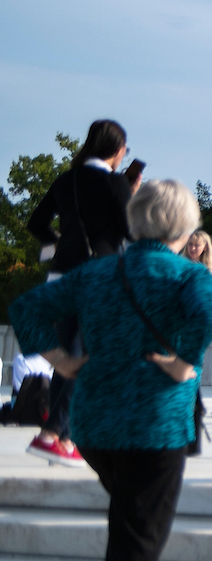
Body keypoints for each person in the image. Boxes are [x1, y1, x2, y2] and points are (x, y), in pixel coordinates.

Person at [10, 177, 212, 561]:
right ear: (186, 225)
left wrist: (61, 360)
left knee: (130, 526)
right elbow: (206, 318)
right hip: (155, 426)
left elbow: (26, 309)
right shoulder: (189, 276)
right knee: (138, 540)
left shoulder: (97, 271)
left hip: (96, 424)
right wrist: (182, 365)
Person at [23, 119, 138, 466]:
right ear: (117, 150)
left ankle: (65, 439)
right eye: (124, 150)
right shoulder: (114, 182)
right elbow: (130, 231)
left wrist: (58, 245)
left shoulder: (66, 179)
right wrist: (130, 194)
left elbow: (36, 223)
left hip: (61, 277)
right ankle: (51, 433)